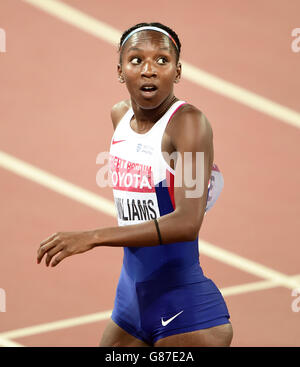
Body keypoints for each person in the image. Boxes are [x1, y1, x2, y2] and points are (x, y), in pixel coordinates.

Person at [37, 22, 233, 347]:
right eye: (137, 60)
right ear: (120, 71)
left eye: (162, 60)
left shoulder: (189, 124)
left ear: (178, 71)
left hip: (187, 313)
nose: (149, 70)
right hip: (130, 305)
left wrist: (93, 237)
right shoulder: (119, 117)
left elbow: (187, 222)